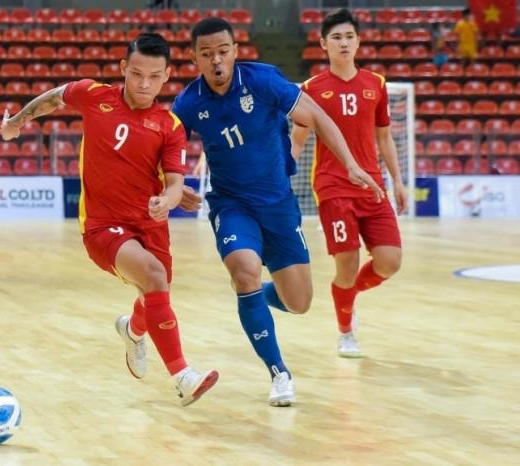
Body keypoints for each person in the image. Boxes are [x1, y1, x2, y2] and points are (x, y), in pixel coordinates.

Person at [0, 33, 218, 407]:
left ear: (166, 75)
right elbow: (53, 97)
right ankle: (183, 376)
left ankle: (133, 332)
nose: (144, 84)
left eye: (153, 76)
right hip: (102, 225)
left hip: (149, 223)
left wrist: (167, 201)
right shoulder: (93, 94)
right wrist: (17, 121)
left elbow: (176, 182)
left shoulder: (171, 127)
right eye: (136, 74)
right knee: (153, 276)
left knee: (156, 287)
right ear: (123, 69)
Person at [172, 17, 383, 406]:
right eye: (206, 54)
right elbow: (163, 148)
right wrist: (172, 185)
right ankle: (279, 372)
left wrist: (351, 163)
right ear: (194, 58)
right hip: (231, 204)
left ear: (235, 50)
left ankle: (251, 298)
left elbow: (318, 116)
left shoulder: (264, 81)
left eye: (223, 51)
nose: (216, 61)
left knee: (298, 302)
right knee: (244, 270)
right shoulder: (187, 103)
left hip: (279, 205)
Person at [290, 8, 406, 358]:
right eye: (337, 37)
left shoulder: (377, 84)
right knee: (348, 265)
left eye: (349, 37)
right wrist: (282, 176)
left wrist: (398, 181)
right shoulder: (311, 89)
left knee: (390, 261)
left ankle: (347, 295)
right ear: (323, 43)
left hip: (373, 186)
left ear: (358, 41)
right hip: (333, 187)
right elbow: (297, 140)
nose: (344, 43)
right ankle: (345, 330)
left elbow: (384, 139)